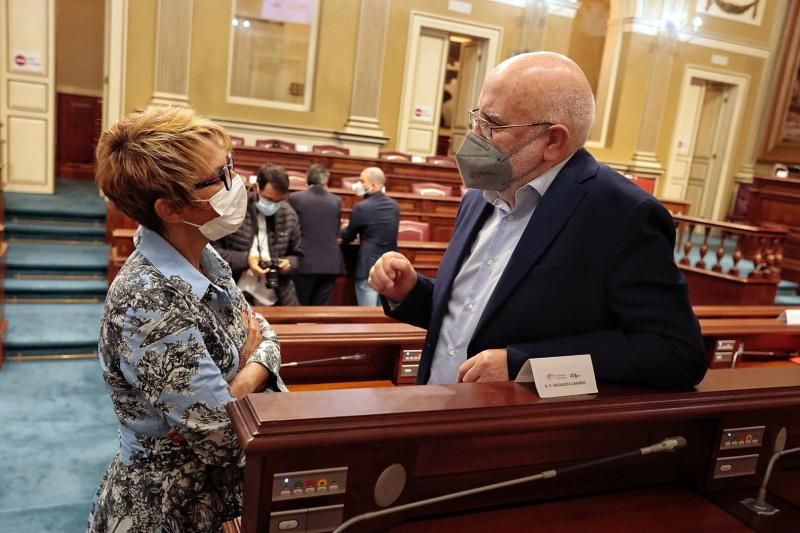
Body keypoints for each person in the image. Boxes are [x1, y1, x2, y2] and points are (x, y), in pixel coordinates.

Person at [368, 52, 707, 389]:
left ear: (553, 141)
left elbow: (675, 353)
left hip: (517, 431)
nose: (475, 136)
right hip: (433, 405)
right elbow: (477, 316)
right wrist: (412, 292)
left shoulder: (622, 213)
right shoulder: (479, 196)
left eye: (494, 125)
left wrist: (523, 364)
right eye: (477, 118)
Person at [89, 106, 287, 533]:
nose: (237, 183)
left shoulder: (203, 255)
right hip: (163, 508)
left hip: (213, 497)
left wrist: (235, 379)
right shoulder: (146, 300)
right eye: (220, 176)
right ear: (172, 208)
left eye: (229, 165)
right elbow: (221, 436)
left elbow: (266, 333)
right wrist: (251, 369)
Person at [214, 164, 303, 306]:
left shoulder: (289, 214)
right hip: (235, 295)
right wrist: (246, 260)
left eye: (279, 201)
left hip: (277, 296)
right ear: (256, 188)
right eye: (269, 199)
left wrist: (289, 264)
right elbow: (212, 253)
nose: (273, 205)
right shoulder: (234, 208)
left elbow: (297, 255)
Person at [341, 167, 400, 306]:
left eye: (362, 181)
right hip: (389, 265)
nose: (358, 184)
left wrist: (342, 231)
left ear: (374, 185)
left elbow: (349, 235)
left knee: (366, 314)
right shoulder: (394, 206)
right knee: (382, 314)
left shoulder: (361, 207)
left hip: (367, 266)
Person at [288, 164, 344, 305]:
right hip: (330, 263)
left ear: (306, 179)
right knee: (321, 310)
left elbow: (291, 228)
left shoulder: (295, 198)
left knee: (301, 307)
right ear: (326, 180)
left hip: (305, 261)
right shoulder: (336, 201)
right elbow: (337, 230)